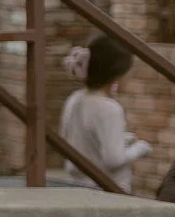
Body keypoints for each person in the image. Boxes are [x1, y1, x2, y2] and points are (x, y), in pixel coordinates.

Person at [59, 36, 150, 191]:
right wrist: (140, 148)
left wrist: (122, 139)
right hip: (109, 192)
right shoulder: (109, 109)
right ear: (117, 73)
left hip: (76, 186)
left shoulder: (74, 99)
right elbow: (114, 159)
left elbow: (70, 139)